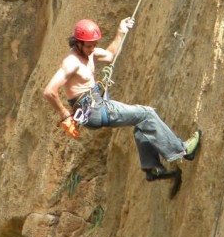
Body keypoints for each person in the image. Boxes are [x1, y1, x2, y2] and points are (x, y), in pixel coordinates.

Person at [43, 17, 201, 182]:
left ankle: (152, 168)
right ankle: (183, 150)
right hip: (93, 109)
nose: (93, 49)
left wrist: (120, 32)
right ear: (78, 43)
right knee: (146, 114)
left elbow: (111, 56)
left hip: (98, 104)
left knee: (142, 120)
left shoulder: (89, 53)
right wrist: (65, 116)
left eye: (94, 45)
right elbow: (49, 91)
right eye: (89, 46)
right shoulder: (71, 62)